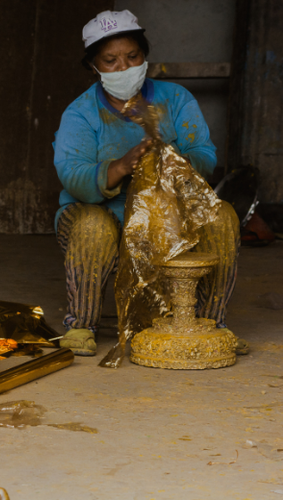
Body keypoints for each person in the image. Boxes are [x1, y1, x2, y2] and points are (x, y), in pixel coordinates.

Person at [52, 10, 245, 356]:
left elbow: (204, 153)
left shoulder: (176, 99)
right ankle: (81, 324)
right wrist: (122, 166)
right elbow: (74, 176)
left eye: (132, 56)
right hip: (103, 212)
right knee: (91, 227)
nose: (124, 67)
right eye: (110, 60)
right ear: (93, 67)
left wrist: (173, 161)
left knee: (222, 218)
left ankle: (210, 324)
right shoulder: (80, 113)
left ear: (145, 56)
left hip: (169, 212)